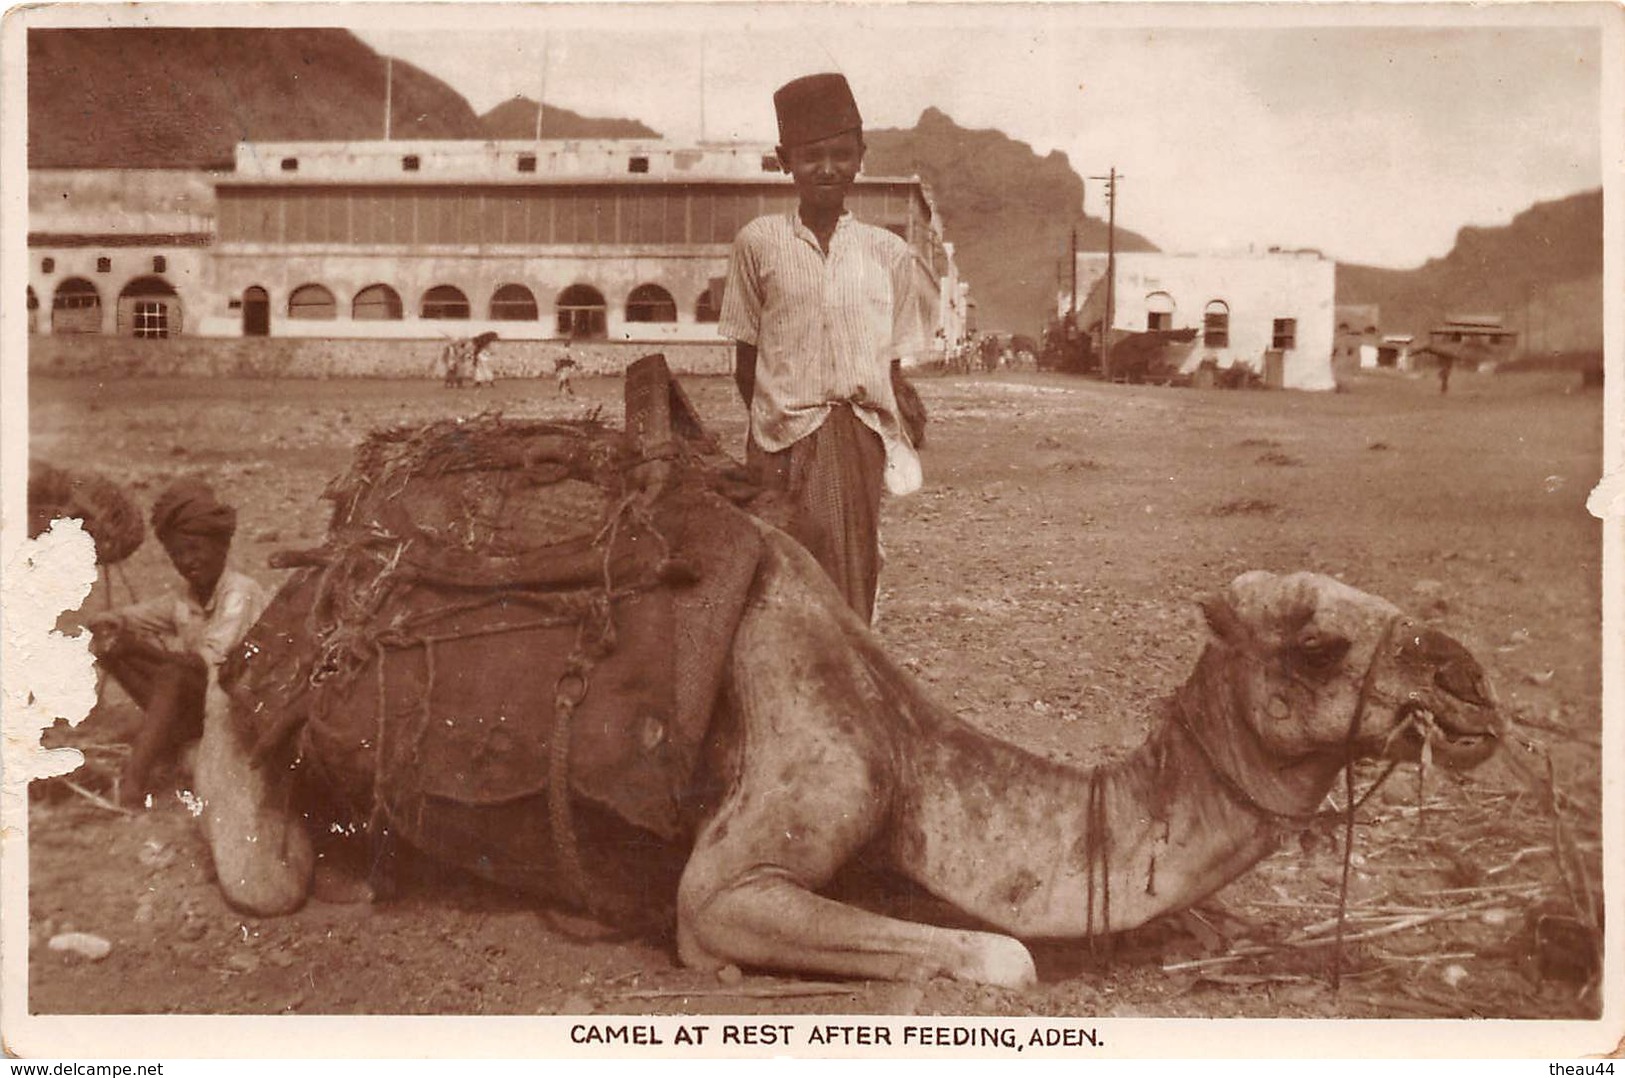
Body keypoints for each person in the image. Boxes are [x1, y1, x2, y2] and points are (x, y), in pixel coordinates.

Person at [717, 72, 926, 623]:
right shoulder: (758, 243)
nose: (826, 169)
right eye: (811, 157)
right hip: (778, 439)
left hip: (857, 439)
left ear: (861, 156)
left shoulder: (888, 253)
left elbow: (891, 363)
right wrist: (773, 430)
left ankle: (850, 681)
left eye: (840, 154)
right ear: (785, 160)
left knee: (853, 571)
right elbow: (745, 358)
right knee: (779, 575)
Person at [85, 479, 270, 807]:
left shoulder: (239, 594)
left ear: (221, 546)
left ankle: (133, 782)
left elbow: (204, 663)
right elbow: (134, 616)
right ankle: (169, 739)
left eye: (195, 549)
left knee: (173, 671)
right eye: (177, 555)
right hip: (197, 706)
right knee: (113, 649)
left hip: (232, 710)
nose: (187, 561)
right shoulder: (186, 598)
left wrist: (138, 646)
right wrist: (109, 625)